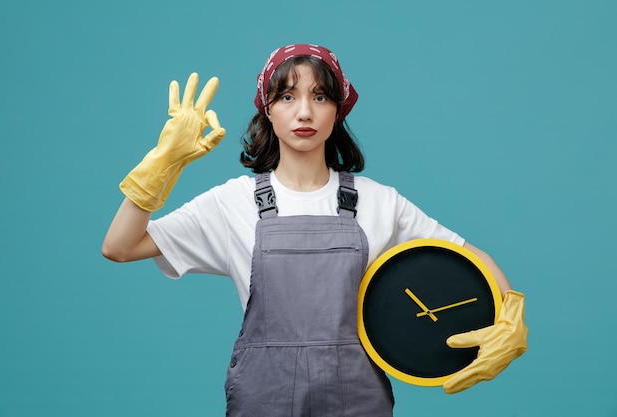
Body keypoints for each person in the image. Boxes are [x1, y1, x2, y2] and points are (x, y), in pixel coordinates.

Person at [102, 44, 527, 416]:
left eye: (320, 96)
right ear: (267, 109)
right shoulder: (230, 203)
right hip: (262, 402)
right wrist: (161, 166)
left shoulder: (379, 201)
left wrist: (509, 317)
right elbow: (120, 246)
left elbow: (472, 259)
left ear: (337, 109)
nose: (304, 111)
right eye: (287, 96)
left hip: (357, 402)